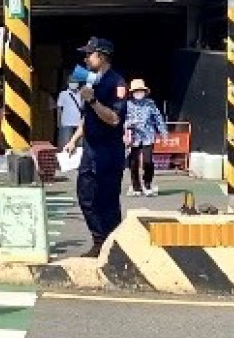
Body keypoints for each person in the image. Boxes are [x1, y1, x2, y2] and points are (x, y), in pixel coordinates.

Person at [62, 37, 127, 257]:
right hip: (91, 148)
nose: (86, 58)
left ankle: (111, 245)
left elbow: (114, 119)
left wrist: (93, 102)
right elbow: (86, 118)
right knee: (85, 195)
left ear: (102, 56)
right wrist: (74, 140)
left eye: (90, 54)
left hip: (109, 150)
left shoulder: (116, 83)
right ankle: (99, 239)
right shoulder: (92, 81)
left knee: (108, 199)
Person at [124, 78, 169, 197]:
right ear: (132, 92)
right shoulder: (127, 104)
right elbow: (122, 120)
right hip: (133, 137)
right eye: (136, 91)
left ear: (144, 91)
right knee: (133, 162)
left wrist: (163, 133)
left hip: (148, 136)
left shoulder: (150, 103)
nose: (138, 93)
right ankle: (136, 186)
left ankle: (147, 183)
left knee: (148, 161)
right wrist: (128, 125)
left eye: (140, 90)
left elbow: (158, 118)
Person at [55, 78, 83, 150]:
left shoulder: (81, 94)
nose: (73, 83)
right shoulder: (63, 94)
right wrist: (58, 122)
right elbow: (59, 109)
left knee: (79, 146)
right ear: (68, 83)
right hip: (66, 123)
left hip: (79, 124)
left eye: (75, 82)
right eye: (71, 82)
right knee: (65, 144)